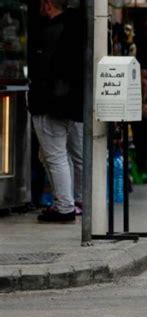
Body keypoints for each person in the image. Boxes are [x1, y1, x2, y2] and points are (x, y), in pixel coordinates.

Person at [28, 0, 83, 223]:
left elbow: (44, 69)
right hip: (69, 105)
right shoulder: (76, 28)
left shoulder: (52, 31)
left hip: (50, 104)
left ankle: (64, 206)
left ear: (49, 4)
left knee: (55, 156)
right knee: (57, 155)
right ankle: (67, 201)